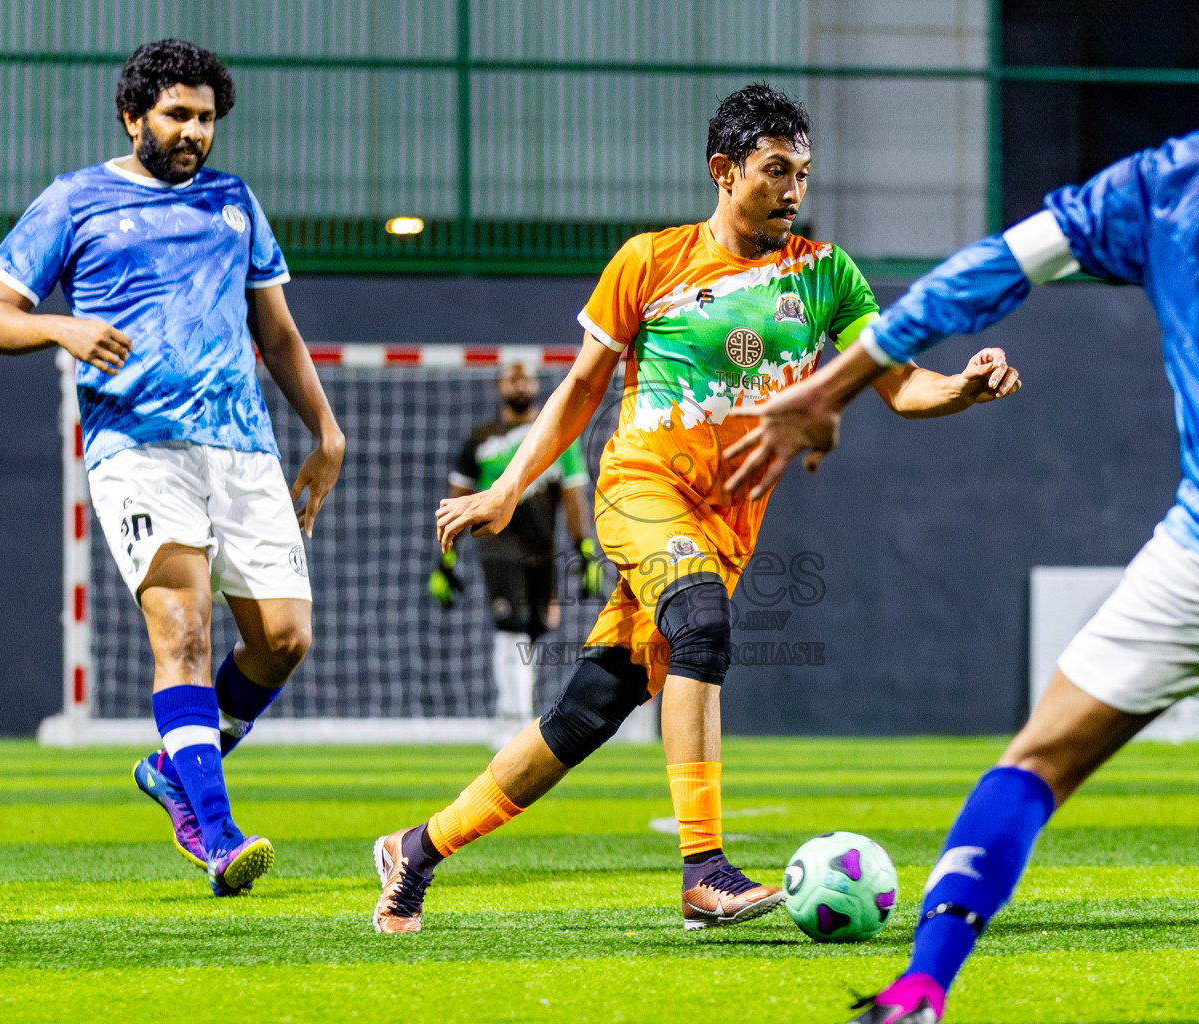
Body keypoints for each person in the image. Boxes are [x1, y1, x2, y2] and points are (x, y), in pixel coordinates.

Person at [725, 3, 1199, 1021]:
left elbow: (986, 275)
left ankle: (922, 987)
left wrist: (830, 388)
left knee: (1038, 760)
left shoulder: (1164, 180)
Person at [370, 83, 1021, 935]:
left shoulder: (825, 275)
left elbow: (899, 385)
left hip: (725, 523)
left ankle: (417, 848)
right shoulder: (651, 260)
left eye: (803, 172)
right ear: (723, 171)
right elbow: (577, 392)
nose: (793, 189)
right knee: (703, 627)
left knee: (585, 713)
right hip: (640, 489)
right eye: (775, 170)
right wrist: (504, 490)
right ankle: (704, 871)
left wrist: (962, 390)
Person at [0, 40, 344, 898]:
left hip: (243, 447)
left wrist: (325, 432)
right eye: (177, 115)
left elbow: (278, 333)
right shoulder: (76, 199)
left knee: (286, 640)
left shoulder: (234, 201)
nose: (193, 133)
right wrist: (62, 328)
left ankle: (174, 764)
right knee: (182, 633)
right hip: (136, 447)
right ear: (133, 115)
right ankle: (215, 834)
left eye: (206, 118)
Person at [428, 362, 603, 728]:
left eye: (526, 378)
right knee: (512, 626)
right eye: (512, 378)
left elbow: (574, 499)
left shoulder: (557, 440)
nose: (520, 385)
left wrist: (585, 553)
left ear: (537, 384)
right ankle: (514, 721)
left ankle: (516, 714)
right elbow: (455, 500)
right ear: (499, 386)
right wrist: (446, 560)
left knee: (535, 630)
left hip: (542, 550)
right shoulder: (481, 440)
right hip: (497, 545)